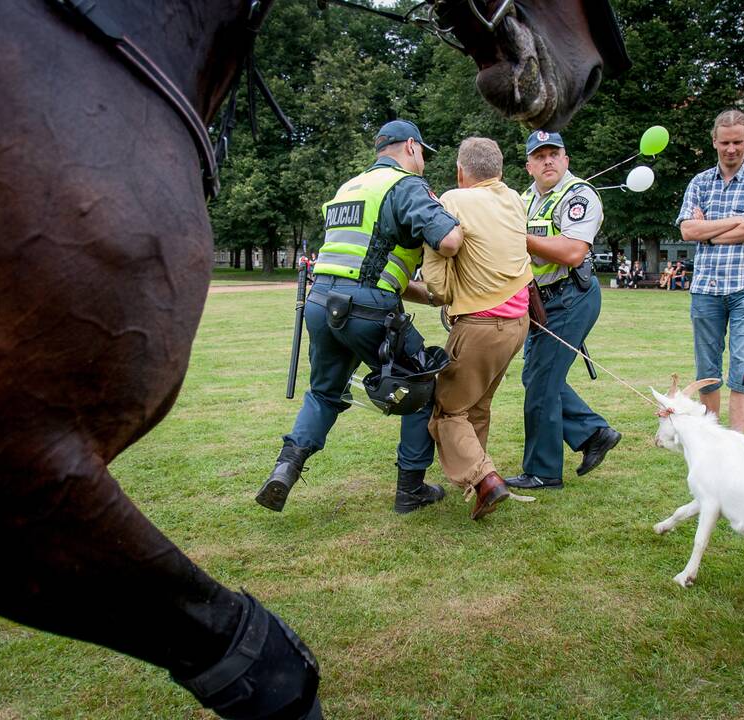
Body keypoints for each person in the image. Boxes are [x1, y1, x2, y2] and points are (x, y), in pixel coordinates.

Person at [256, 119, 463, 514]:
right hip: (367, 310)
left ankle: (286, 468)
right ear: (410, 148)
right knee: (420, 386)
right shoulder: (405, 186)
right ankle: (411, 490)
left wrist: (431, 298)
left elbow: (367, 265)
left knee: (323, 393)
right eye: (422, 154)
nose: (423, 162)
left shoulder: (349, 188)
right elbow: (450, 242)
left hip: (321, 304)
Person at [421, 137, 533, 519]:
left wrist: (439, 293)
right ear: (500, 171)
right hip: (519, 323)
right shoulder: (516, 199)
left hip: (481, 325)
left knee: (448, 411)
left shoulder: (454, 199)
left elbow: (439, 273)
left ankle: (486, 480)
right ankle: (477, 479)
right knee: (478, 405)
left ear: (460, 171)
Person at [506, 129, 622, 490]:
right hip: (540, 301)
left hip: (572, 296)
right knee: (537, 377)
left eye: (554, 153)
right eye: (540, 156)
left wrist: (517, 238)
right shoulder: (523, 200)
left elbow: (573, 251)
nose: (548, 161)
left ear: (566, 159)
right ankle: (593, 433)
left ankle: (542, 471)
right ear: (529, 166)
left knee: (541, 382)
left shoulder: (580, 195)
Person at [676, 109, 744, 436]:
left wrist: (710, 231)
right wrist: (737, 220)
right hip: (706, 288)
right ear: (714, 142)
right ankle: (711, 436)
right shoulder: (700, 182)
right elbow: (688, 231)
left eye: (737, 142)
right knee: (707, 367)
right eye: (724, 142)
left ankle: (736, 440)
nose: (730, 149)